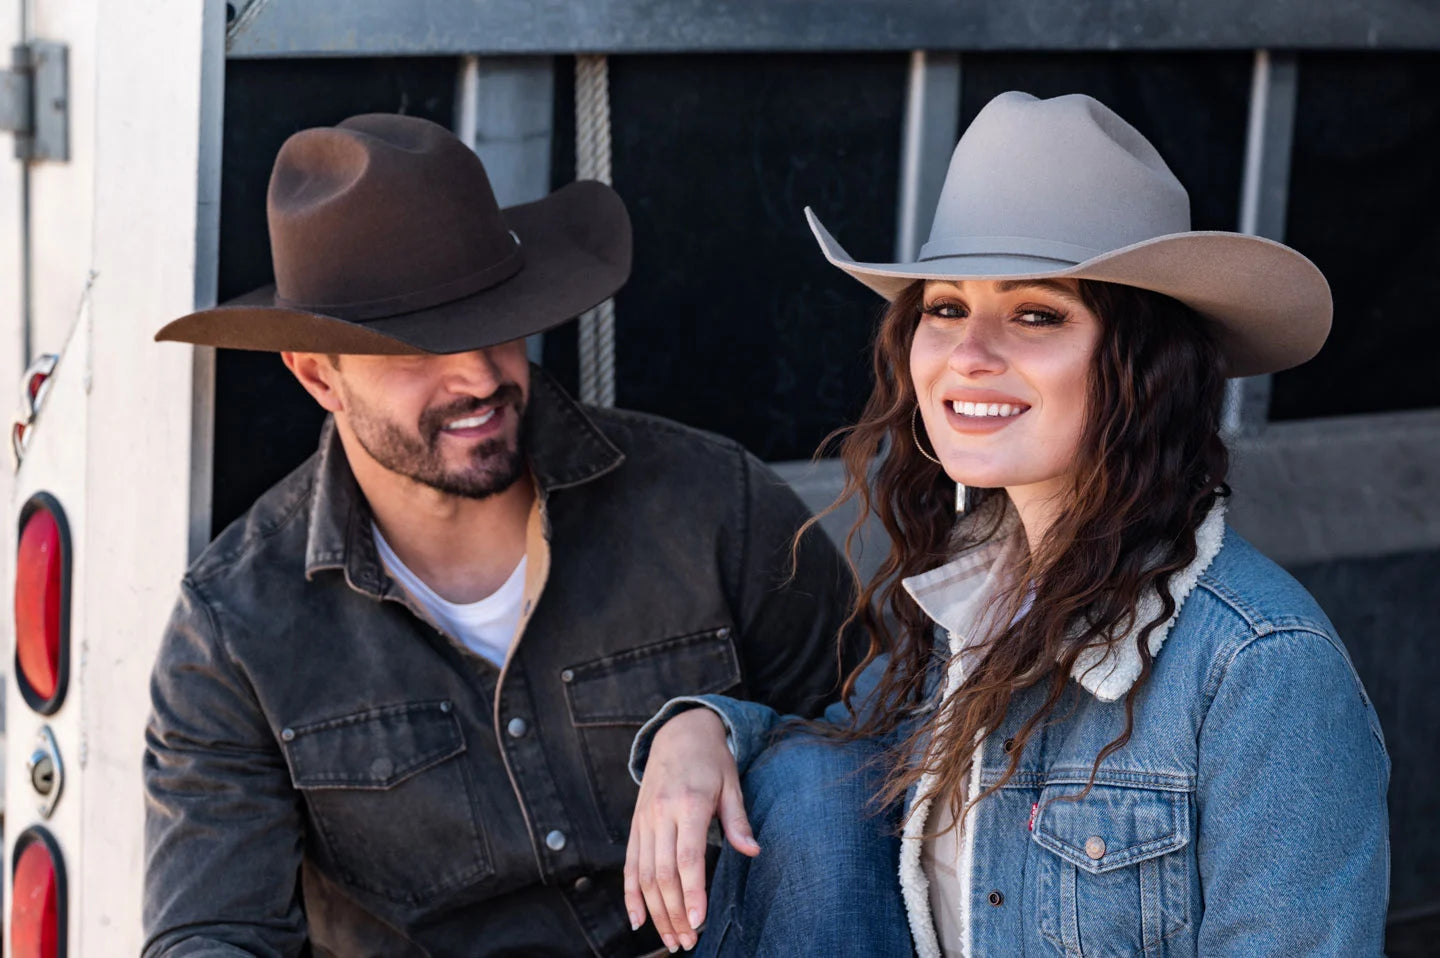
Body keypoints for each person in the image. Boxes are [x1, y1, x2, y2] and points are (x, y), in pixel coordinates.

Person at [625, 91, 1390, 957]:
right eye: (945, 307)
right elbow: (837, 745)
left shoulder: (1263, 669)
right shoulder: (975, 606)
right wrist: (701, 731)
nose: (968, 354)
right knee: (809, 783)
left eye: (1036, 314)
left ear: (1145, 365)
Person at [142, 113, 856, 957]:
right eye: (417, 348)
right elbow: (213, 935)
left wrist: (722, 725)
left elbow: (883, 754)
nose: (479, 376)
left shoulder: (712, 507)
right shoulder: (235, 630)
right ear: (316, 375)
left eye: (496, 322)